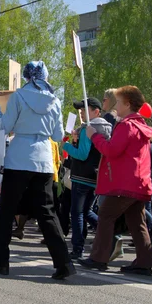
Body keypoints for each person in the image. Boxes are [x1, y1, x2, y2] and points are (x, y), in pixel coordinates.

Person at [0, 60, 74, 279]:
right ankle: (64, 264)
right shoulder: (55, 100)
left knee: (6, 211)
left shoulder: (18, 96)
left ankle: (0, 262)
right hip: (44, 160)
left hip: (19, 157)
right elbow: (57, 136)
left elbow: (4, 126)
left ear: (26, 76)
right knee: (47, 212)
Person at [78, 86, 152, 276]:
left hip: (125, 183)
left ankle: (98, 258)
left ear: (128, 104)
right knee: (137, 222)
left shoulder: (127, 125)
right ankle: (144, 262)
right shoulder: (141, 126)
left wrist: (94, 136)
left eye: (119, 102)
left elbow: (111, 150)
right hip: (139, 181)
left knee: (105, 215)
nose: (116, 105)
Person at [62, 97, 112, 259]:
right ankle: (111, 234)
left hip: (81, 176)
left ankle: (78, 248)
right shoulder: (108, 128)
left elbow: (82, 155)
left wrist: (67, 146)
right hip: (96, 175)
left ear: (96, 111)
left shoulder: (88, 129)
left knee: (77, 213)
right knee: (85, 211)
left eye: (84, 109)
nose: (81, 113)